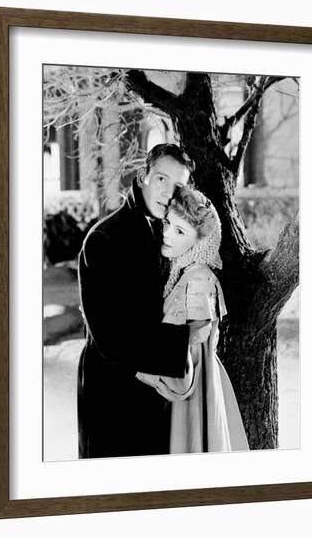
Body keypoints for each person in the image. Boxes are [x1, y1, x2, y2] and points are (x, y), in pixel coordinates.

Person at [77, 143, 195, 459]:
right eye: (161, 179)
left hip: (156, 392)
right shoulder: (103, 239)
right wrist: (187, 339)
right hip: (111, 394)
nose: (168, 192)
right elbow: (111, 336)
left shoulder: (170, 236)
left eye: (177, 186)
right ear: (143, 175)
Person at [136, 185, 249, 453]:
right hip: (189, 383)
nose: (166, 234)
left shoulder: (198, 278)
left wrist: (140, 371)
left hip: (191, 394)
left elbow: (194, 349)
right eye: (167, 224)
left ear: (200, 241)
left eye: (179, 231)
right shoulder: (183, 272)